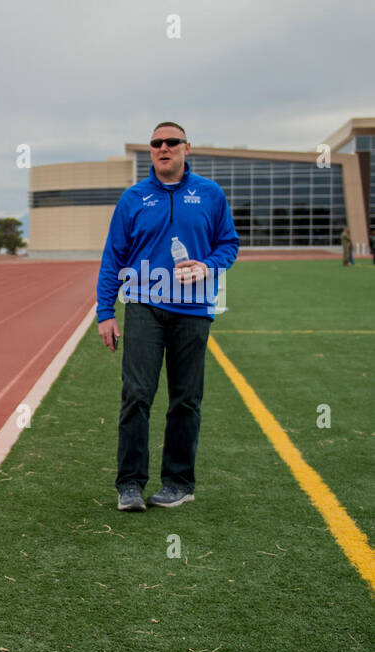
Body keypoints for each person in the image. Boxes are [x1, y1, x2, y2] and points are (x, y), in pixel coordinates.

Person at [95, 121, 240, 512]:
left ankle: (178, 483)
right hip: (143, 306)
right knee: (136, 395)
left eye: (171, 142)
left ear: (186, 148)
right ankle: (130, 484)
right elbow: (114, 257)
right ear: (151, 151)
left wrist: (207, 266)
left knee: (186, 400)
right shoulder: (133, 198)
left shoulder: (210, 194)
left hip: (193, 310)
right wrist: (105, 312)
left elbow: (229, 244)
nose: (163, 148)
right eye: (156, 143)